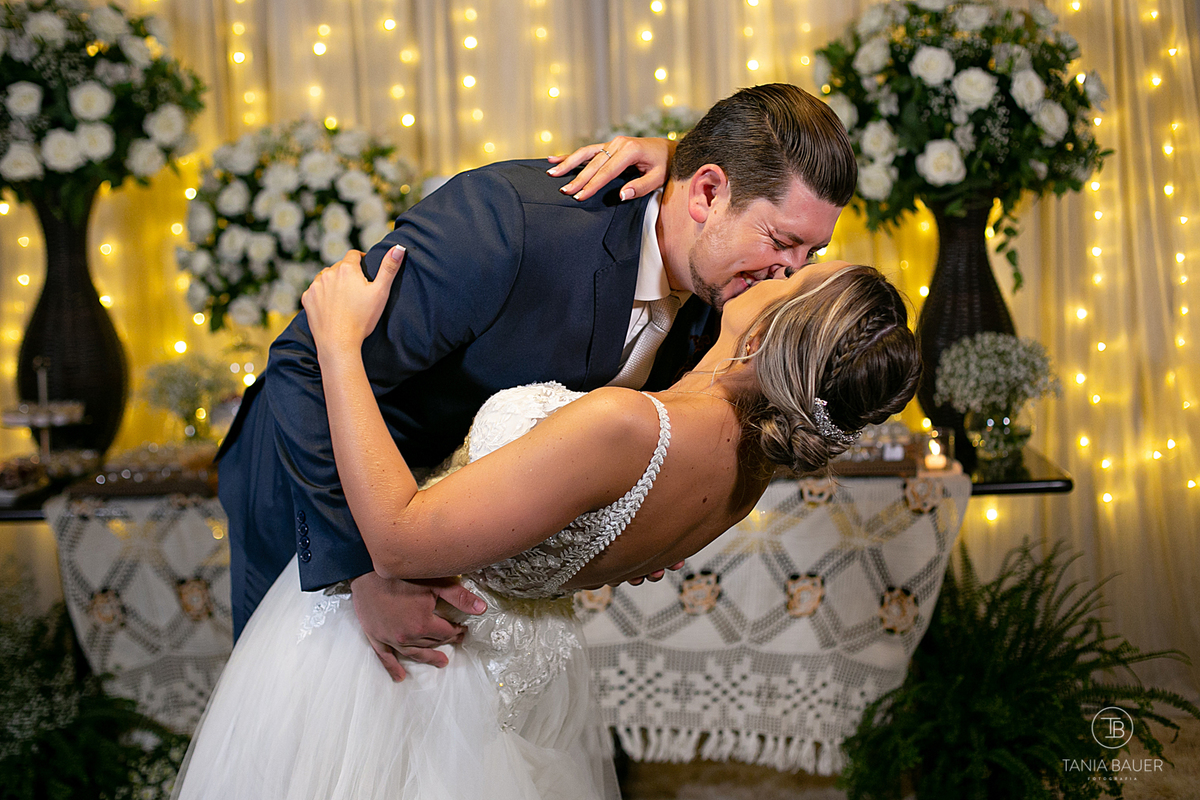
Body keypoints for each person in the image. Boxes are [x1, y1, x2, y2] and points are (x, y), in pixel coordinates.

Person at [174, 244, 921, 800]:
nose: (777, 269)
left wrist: (337, 347)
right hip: (516, 674)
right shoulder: (744, 477)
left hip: (411, 663)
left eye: (793, 280)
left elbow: (398, 538)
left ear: (768, 338)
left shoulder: (625, 426)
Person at [216, 83, 859, 680]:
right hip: (314, 491)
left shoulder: (728, 302)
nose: (788, 278)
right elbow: (302, 361)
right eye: (781, 241)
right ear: (708, 194)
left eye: (809, 255)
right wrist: (362, 569)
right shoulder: (507, 225)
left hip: (448, 538)